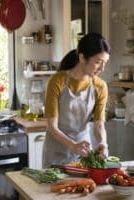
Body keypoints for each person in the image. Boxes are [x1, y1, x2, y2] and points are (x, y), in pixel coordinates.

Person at [42, 33, 111, 168]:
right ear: (82, 58)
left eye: (105, 63)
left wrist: (103, 143)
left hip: (84, 152)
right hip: (56, 152)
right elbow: (52, 127)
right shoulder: (57, 81)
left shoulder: (100, 86)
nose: (102, 68)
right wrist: (73, 146)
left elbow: (98, 125)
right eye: (98, 62)